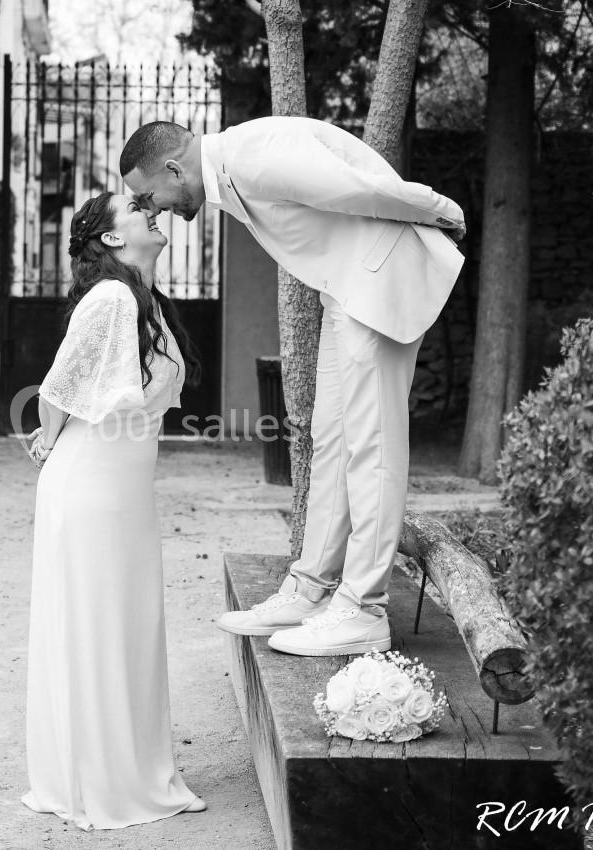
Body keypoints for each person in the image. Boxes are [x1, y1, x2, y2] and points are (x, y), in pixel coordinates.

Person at [120, 117, 466, 657]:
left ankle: (363, 609)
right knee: (330, 438)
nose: (152, 209)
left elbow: (355, 186)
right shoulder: (225, 173)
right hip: (346, 289)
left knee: (371, 447)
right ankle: (311, 590)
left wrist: (439, 207)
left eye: (148, 196)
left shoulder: (253, 154)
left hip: (378, 280)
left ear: (171, 167)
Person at [22, 191, 206, 830]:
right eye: (135, 207)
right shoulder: (112, 299)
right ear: (108, 239)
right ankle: (100, 782)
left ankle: (128, 768)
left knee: (128, 627)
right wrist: (49, 439)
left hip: (124, 495)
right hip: (92, 491)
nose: (151, 209)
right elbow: (58, 387)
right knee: (99, 626)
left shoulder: (145, 301)